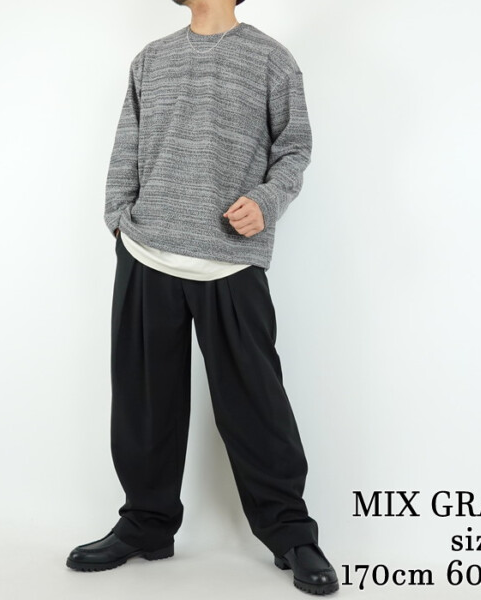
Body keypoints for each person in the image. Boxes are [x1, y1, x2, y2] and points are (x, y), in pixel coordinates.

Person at [66, 0, 339, 594]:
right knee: (143, 403)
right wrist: (119, 220)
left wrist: (266, 202)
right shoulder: (151, 59)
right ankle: (146, 524)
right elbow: (127, 145)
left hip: (229, 259)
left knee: (256, 404)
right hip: (146, 252)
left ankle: (291, 533)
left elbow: (294, 149)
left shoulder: (270, 59)